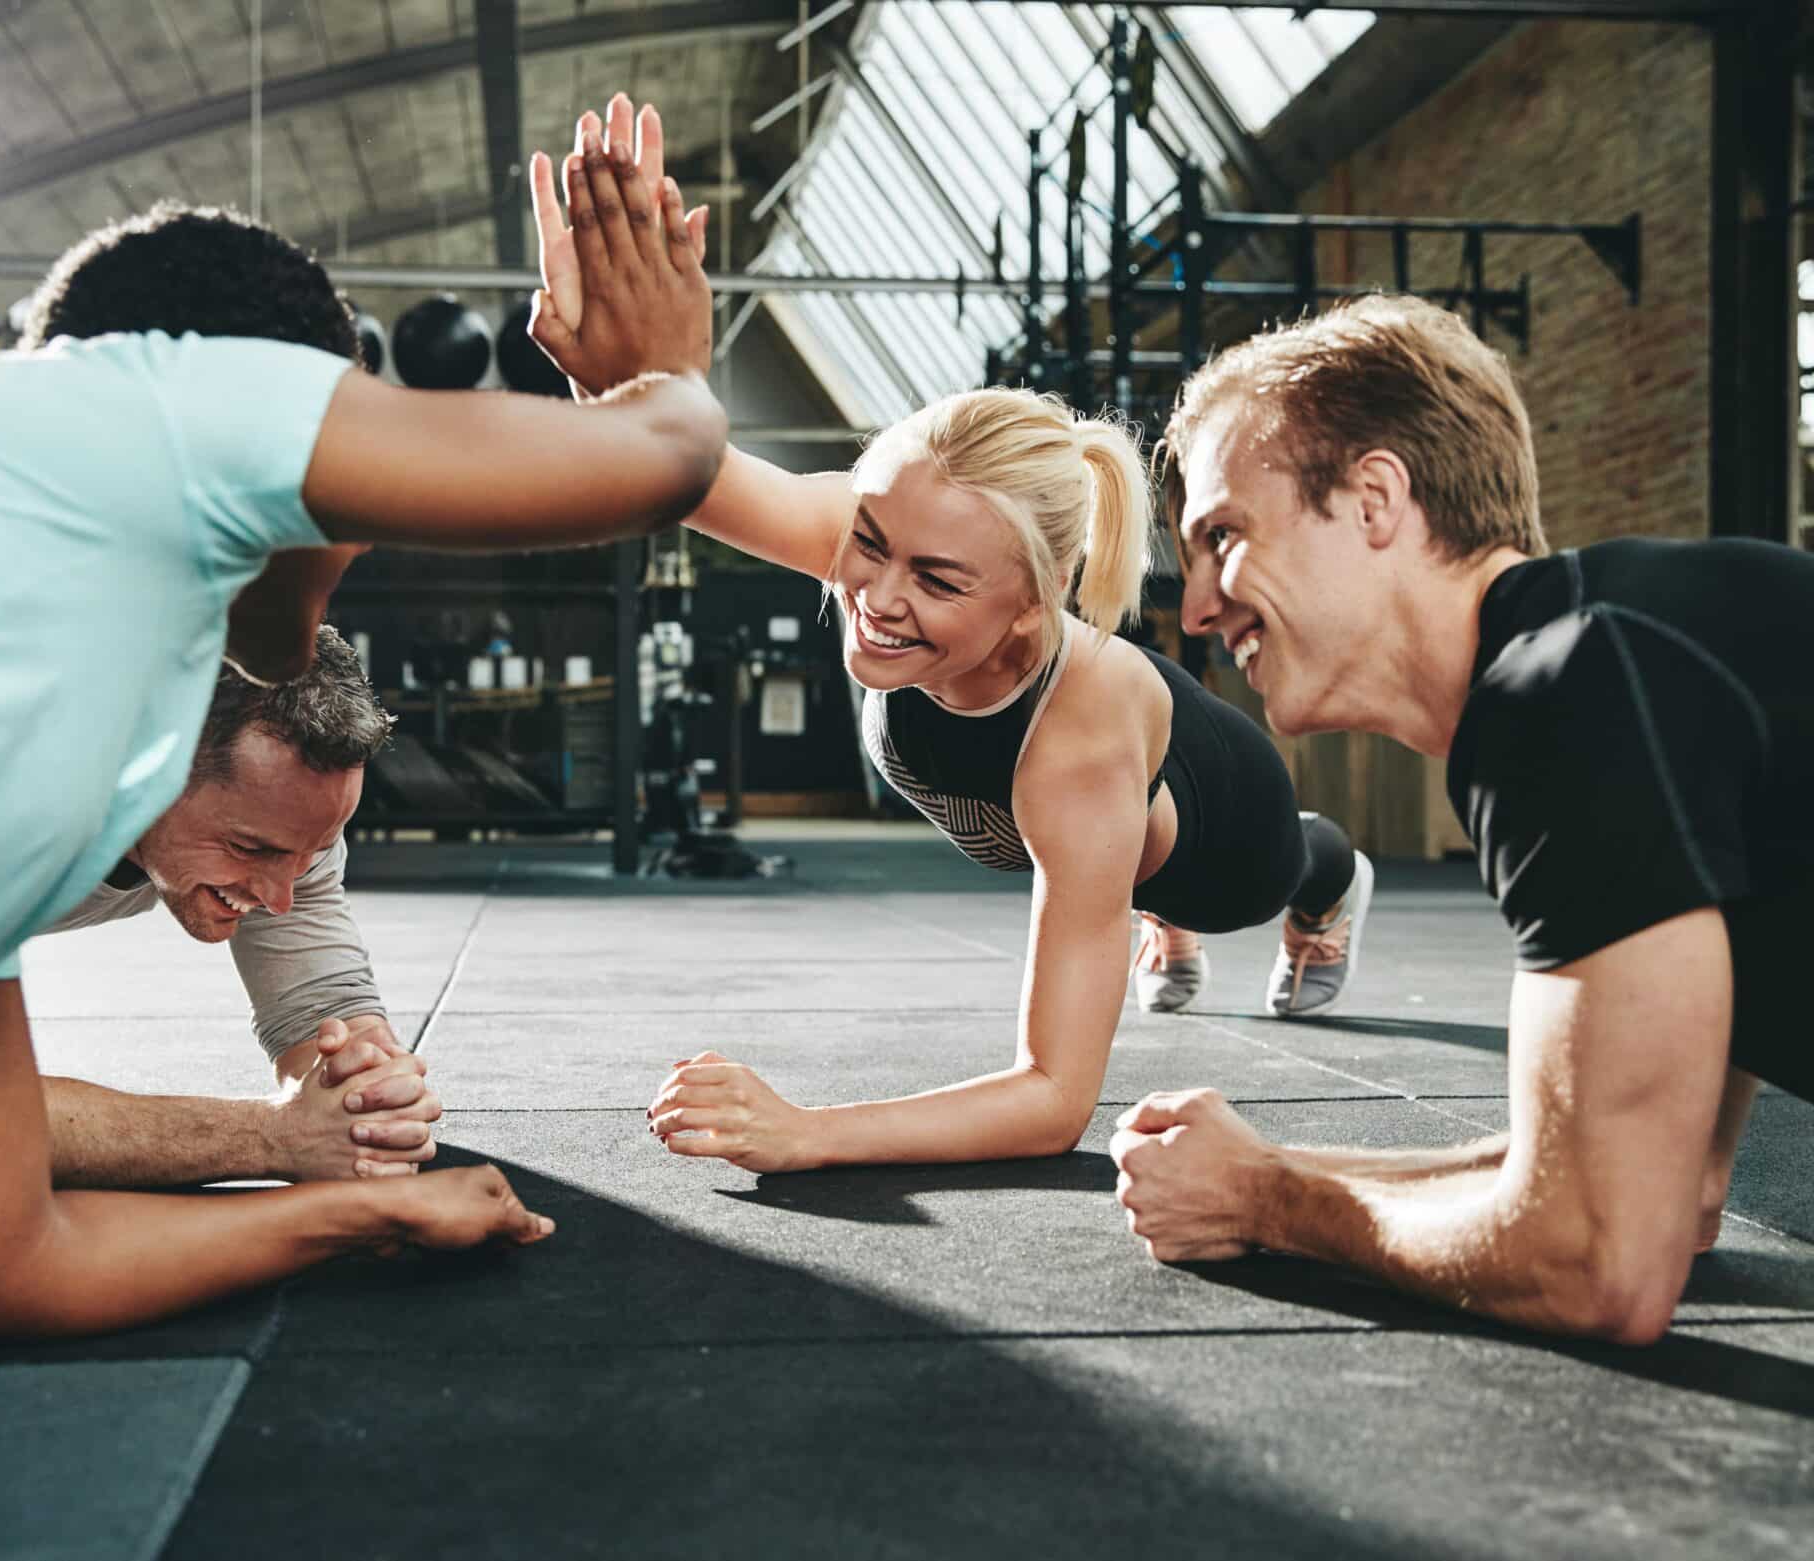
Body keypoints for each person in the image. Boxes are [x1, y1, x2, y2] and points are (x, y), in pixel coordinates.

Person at [0, 196, 725, 1335]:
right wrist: (657, 368)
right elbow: (661, 459)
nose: (362, 516)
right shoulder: (154, 401)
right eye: (350, 426)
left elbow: (1, 1260)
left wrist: (363, 1207)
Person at [526, 99, 1373, 1178]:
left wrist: (811, 1133)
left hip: (1224, 837)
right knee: (1097, 872)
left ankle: (1317, 884)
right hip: (1101, 808)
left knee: (1269, 866)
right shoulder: (872, 546)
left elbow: (1050, 1099)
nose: (873, 595)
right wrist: (613, 373)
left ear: (1031, 602)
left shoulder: (1072, 746)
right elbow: (675, 467)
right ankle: (1127, 896)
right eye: (868, 543)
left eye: (933, 579)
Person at [1107, 292, 1813, 1345]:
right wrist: (1270, 1170)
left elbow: (1601, 1259)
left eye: (1223, 536)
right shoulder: (1624, 645)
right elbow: (1678, 1186)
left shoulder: (1567, 689)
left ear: (1373, 499)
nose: (1198, 605)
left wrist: (1262, 1203)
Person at [0, 625, 448, 1187]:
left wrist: (370, 1096)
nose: (281, 896)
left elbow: (327, 1015)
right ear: (144, 765)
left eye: (310, 851)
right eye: (248, 848)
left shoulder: (284, 819)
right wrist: (276, 1136)